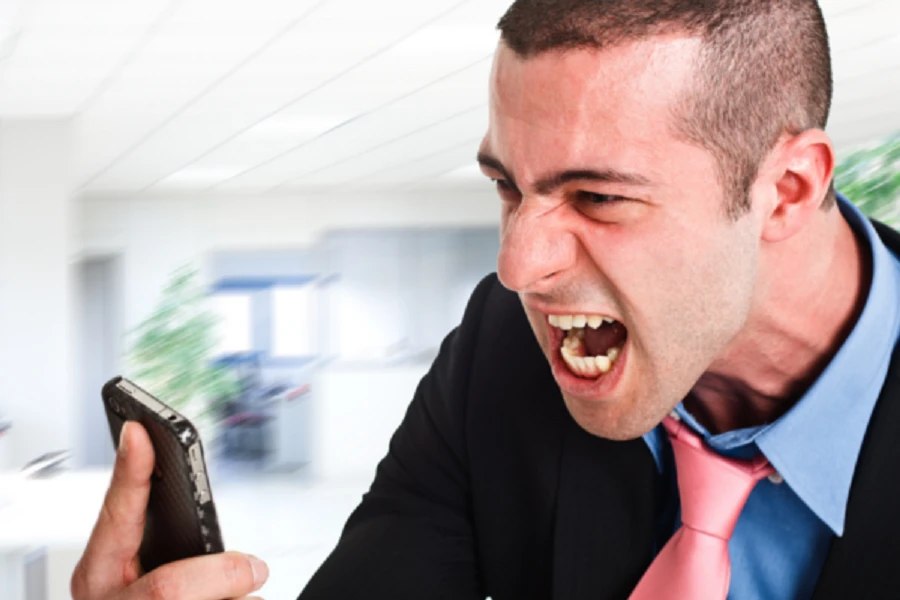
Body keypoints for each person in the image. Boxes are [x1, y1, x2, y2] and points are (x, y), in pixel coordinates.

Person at [72, 0, 900, 599]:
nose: (517, 267)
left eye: (599, 197)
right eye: (508, 186)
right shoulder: (499, 349)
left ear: (788, 191)